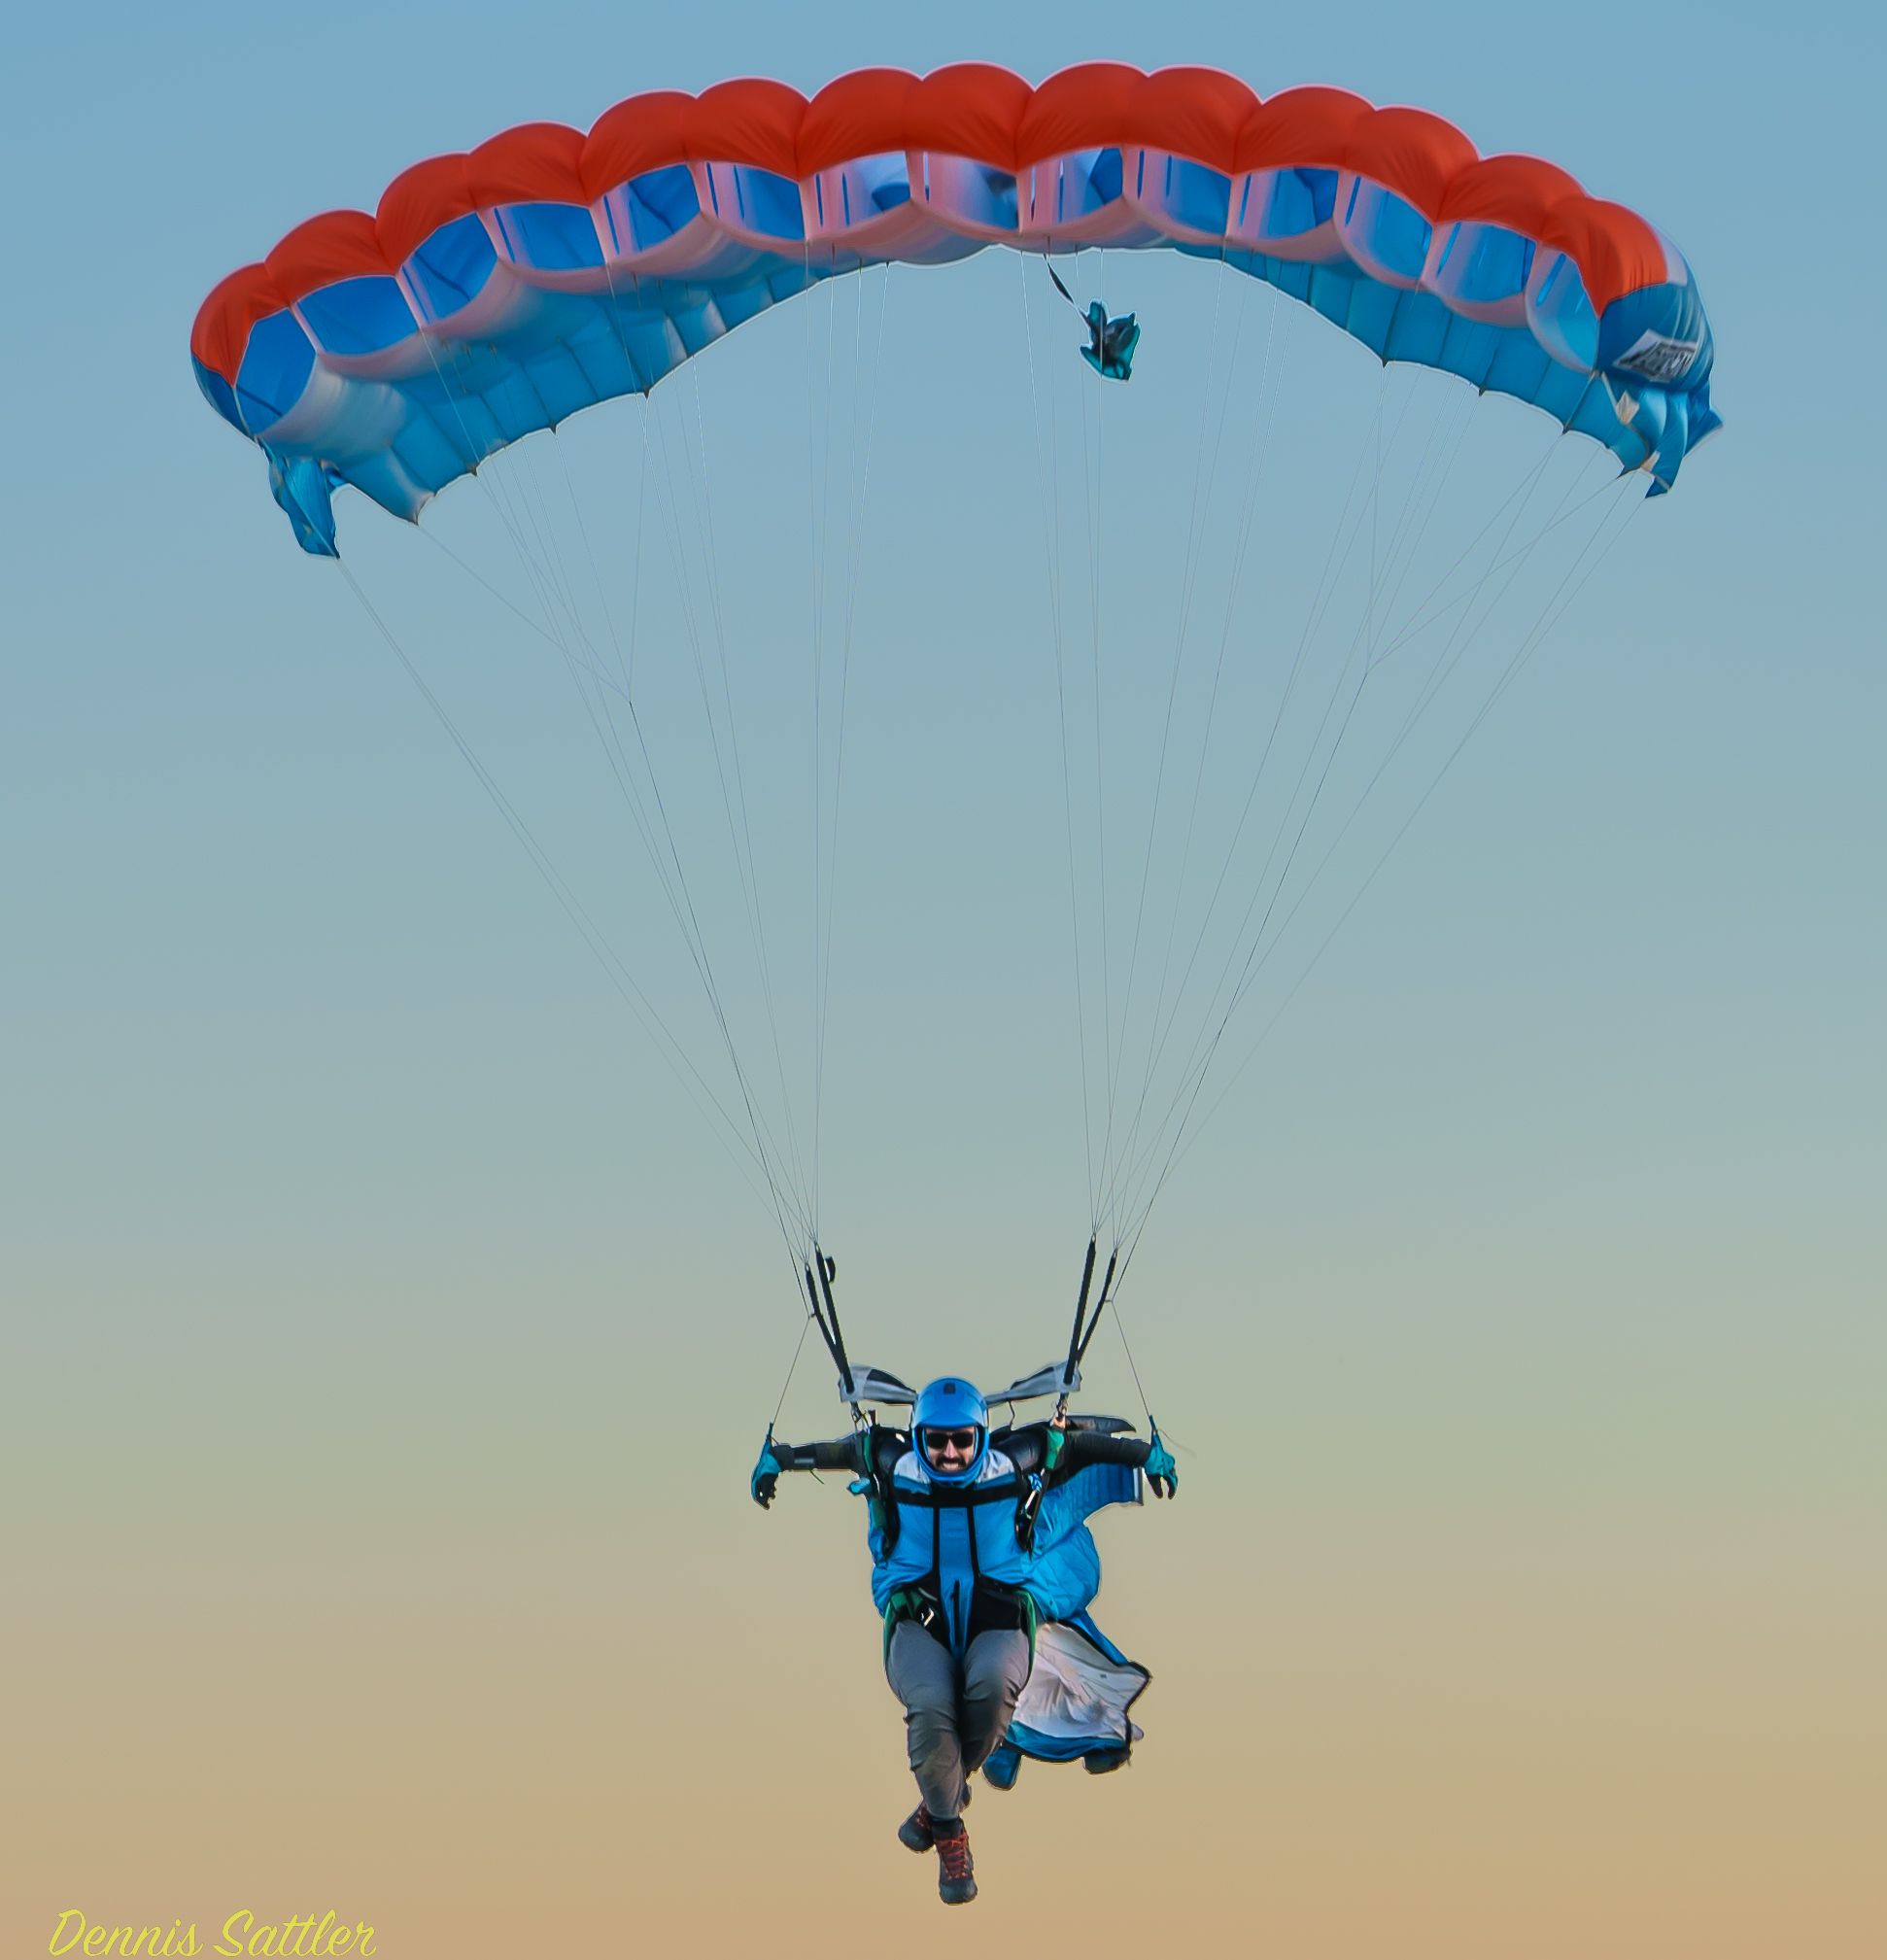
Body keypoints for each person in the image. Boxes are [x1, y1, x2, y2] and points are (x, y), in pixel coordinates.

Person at [751, 1375, 1177, 1905]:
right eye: (935, 1440)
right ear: (918, 1437)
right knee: (930, 1707)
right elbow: (836, 1452)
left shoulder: (1016, 1457)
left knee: (993, 1690)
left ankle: (937, 1803)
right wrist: (781, 1459)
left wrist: (1145, 1455)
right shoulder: (890, 1460)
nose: (949, 1453)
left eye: (962, 1441)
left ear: (981, 1437)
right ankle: (951, 1830)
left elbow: (1081, 1446)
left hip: (997, 1615)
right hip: (916, 1616)